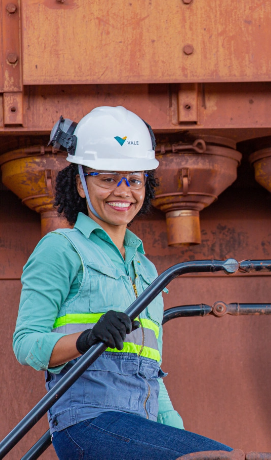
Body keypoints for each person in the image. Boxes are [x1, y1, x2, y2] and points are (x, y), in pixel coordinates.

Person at [13, 106, 232, 460]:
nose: (123, 190)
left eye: (134, 179)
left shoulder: (146, 270)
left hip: (139, 428)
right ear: (80, 184)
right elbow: (26, 343)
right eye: (107, 178)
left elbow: (151, 372)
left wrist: (178, 439)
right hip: (89, 424)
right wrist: (87, 338)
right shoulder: (61, 248)